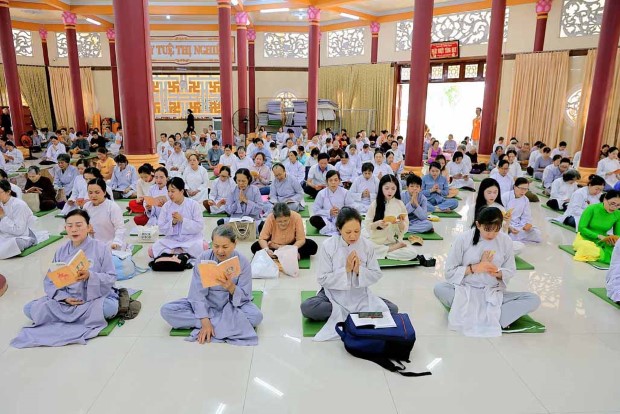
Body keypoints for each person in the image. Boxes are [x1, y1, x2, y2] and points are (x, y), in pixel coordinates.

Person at [11, 210, 119, 348]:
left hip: (91, 300)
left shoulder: (101, 248)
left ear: (88, 227)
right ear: (65, 228)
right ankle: (77, 318)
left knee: (110, 308)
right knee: (29, 308)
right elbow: (50, 281)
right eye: (70, 226)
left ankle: (66, 318)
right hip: (66, 302)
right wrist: (64, 298)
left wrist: (90, 276)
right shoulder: (61, 250)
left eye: (79, 225)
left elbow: (111, 277)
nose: (74, 229)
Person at [434, 207, 541, 337]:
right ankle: (496, 318)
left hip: (492, 293)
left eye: (496, 230)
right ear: (478, 225)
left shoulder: (505, 240)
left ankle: (472, 314)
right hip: (465, 290)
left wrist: (498, 273)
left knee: (533, 299)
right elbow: (449, 272)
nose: (492, 235)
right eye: (488, 230)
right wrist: (475, 268)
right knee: (440, 288)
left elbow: (510, 270)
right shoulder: (463, 239)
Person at [300, 208, 398, 341]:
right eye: (348, 232)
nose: (353, 236)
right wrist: (345, 270)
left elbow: (376, 273)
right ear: (339, 229)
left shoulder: (367, 246)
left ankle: (348, 314)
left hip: (359, 294)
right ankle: (357, 316)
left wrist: (359, 271)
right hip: (333, 295)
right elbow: (322, 279)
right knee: (307, 308)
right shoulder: (328, 245)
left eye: (357, 231)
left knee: (392, 309)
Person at [160, 225, 262, 345]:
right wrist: (204, 320)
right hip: (207, 303)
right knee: (167, 310)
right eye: (216, 246)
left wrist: (231, 288)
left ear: (235, 244)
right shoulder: (203, 258)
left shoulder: (243, 262)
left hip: (232, 306)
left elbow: (245, 296)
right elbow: (196, 293)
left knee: (256, 317)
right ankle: (226, 324)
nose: (220, 251)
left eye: (225, 247)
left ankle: (213, 323)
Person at [365, 175, 418, 260]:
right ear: (381, 188)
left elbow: (404, 229)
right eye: (386, 188)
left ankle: (384, 252)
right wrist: (377, 224)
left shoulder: (400, 204)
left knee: (412, 253)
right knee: (366, 249)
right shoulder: (375, 204)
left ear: (397, 189)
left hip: (393, 241)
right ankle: (389, 250)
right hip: (377, 242)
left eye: (393, 189)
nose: (390, 191)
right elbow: (367, 225)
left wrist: (401, 223)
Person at [152, 177, 205, 260]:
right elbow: (161, 227)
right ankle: (182, 253)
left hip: (190, 239)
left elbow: (199, 226)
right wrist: (173, 223)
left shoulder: (193, 204)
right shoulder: (166, 206)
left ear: (182, 191)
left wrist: (182, 220)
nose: (170, 194)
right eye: (168, 191)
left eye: (173, 191)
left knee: (203, 246)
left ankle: (175, 253)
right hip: (172, 240)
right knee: (153, 249)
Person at [251, 202, 318, 259]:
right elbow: (262, 238)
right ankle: (287, 255)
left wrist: (292, 250)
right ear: (275, 218)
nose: (283, 223)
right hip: (273, 242)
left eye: (285, 220)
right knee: (255, 247)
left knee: (312, 246)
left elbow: (301, 239)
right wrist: (267, 250)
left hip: (291, 244)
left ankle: (279, 254)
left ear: (289, 216)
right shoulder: (270, 218)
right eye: (279, 221)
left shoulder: (296, 217)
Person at [572, 190, 620, 265]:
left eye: (618, 205)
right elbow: (581, 228)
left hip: (603, 242)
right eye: (612, 203)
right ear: (605, 199)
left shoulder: (618, 214)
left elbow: (618, 234)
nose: (614, 207)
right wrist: (598, 236)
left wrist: (615, 241)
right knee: (586, 247)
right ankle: (606, 255)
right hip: (585, 239)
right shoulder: (591, 209)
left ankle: (602, 254)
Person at [83, 178, 126, 250]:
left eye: (97, 192)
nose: (93, 196)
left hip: (111, 244)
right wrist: (86, 229)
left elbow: (120, 228)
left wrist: (116, 242)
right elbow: (83, 224)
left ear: (104, 192)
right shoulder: (86, 206)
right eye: (90, 193)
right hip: (92, 244)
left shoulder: (112, 207)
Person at [309, 170, 355, 236]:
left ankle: (336, 228)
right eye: (330, 180)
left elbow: (351, 207)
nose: (333, 182)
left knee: (352, 219)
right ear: (326, 181)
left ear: (339, 181)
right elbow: (316, 210)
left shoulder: (345, 192)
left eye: (336, 180)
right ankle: (339, 228)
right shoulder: (321, 193)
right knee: (313, 219)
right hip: (326, 218)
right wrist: (329, 212)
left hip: (341, 217)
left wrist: (341, 211)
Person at [0, 179, 36, 259]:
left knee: (17, 243)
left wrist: (3, 216)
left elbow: (19, 230)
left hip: (22, 236)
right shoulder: (1, 203)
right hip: (4, 235)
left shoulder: (19, 205)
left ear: (8, 192)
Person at [501, 177, 542, 243]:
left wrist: (526, 225)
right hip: (506, 224)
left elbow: (527, 216)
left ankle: (516, 237)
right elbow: (501, 215)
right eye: (521, 188)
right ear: (515, 187)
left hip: (519, 225)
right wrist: (510, 228)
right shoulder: (505, 196)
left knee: (537, 233)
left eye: (526, 189)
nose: (523, 191)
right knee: (506, 234)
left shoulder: (525, 200)